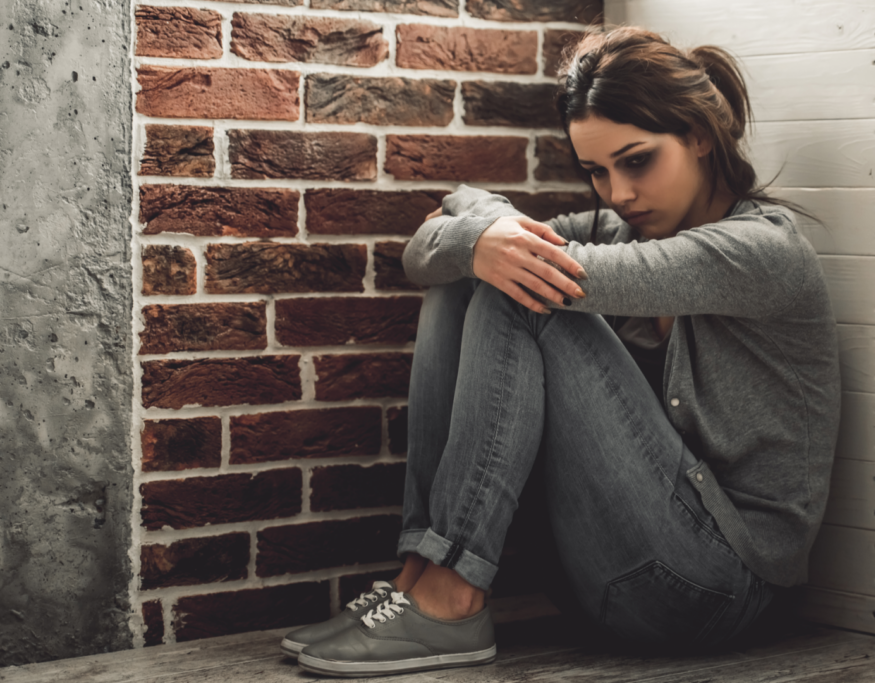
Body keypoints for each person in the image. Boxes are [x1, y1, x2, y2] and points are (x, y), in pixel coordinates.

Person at [284, 25, 841, 678]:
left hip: (715, 589)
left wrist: (485, 235)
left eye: (636, 161)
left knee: (520, 281)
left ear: (698, 135)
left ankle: (451, 595)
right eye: (596, 171)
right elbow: (432, 240)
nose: (617, 194)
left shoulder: (762, 251)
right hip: (600, 572)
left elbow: (537, 266)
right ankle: (420, 578)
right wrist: (482, 233)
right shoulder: (615, 229)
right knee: (483, 270)